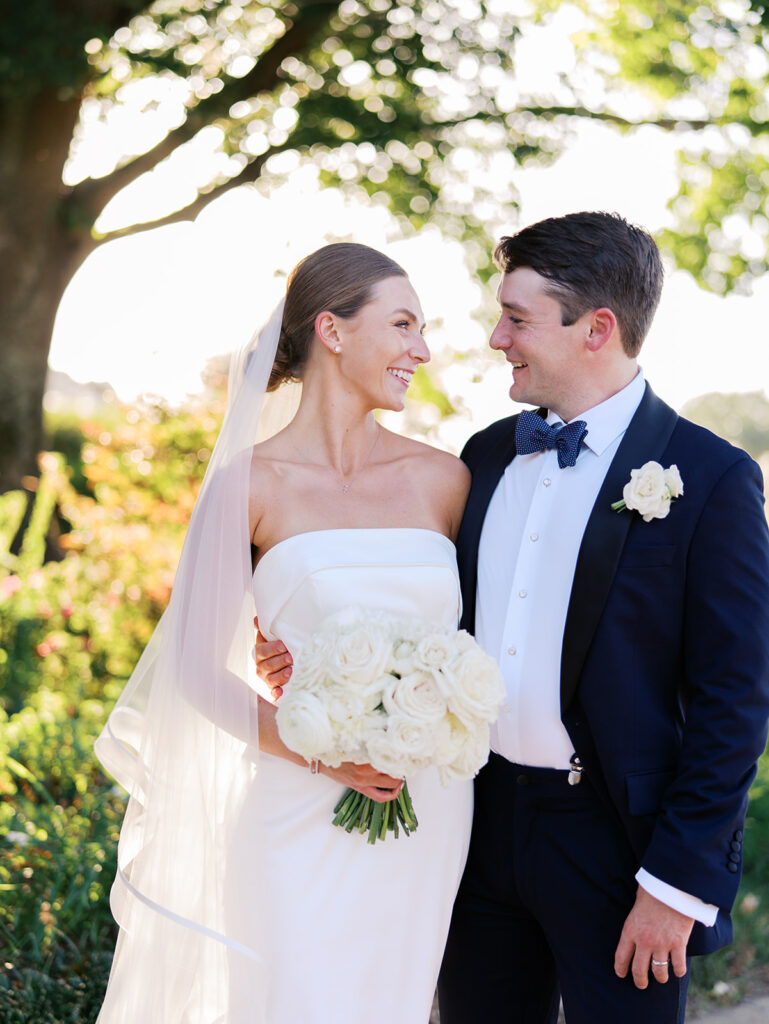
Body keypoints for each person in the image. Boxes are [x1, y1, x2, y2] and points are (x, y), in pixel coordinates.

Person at [257, 213, 769, 1024]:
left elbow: (734, 704)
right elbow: (422, 614)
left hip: (616, 846)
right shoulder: (486, 456)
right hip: (470, 827)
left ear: (596, 328)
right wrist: (309, 661)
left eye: (517, 318)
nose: (496, 338)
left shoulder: (709, 478)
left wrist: (675, 886)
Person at [94, 242, 474, 1024]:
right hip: (294, 798)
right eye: (403, 324)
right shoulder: (249, 485)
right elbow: (196, 672)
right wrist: (324, 750)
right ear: (332, 331)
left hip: (426, 806)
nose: (421, 350)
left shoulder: (446, 482)